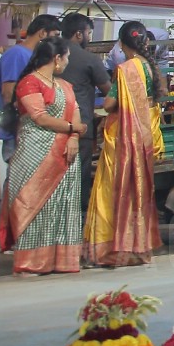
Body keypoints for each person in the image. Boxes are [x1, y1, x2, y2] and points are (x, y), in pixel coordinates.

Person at [83, 22, 165, 267]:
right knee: (138, 190)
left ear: (121, 44)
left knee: (112, 190)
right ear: (146, 42)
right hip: (146, 135)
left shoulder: (126, 69)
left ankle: (111, 248)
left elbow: (110, 104)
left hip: (123, 138)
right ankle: (136, 247)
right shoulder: (152, 68)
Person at [4, 36, 85, 275]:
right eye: (67, 57)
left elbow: (76, 113)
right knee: (34, 205)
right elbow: (39, 117)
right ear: (56, 58)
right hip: (36, 153)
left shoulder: (65, 86)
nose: (68, 61)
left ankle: (60, 261)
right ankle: (32, 262)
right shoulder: (29, 83)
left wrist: (73, 138)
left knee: (63, 207)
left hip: (66, 154)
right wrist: (72, 129)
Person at [56, 13, 111, 210]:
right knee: (79, 176)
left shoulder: (46, 51)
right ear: (79, 34)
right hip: (80, 126)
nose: (89, 37)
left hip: (50, 124)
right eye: (88, 33)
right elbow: (108, 91)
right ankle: (75, 223)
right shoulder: (88, 59)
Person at [0, 14, 60, 164]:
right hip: (18, 131)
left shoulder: (33, 56)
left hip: (31, 130)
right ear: (43, 33)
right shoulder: (17, 54)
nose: (57, 41)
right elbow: (8, 94)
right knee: (18, 180)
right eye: (55, 35)